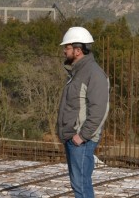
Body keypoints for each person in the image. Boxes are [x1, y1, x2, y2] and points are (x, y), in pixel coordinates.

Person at [57, 27, 110, 198]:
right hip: (74, 138)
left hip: (82, 140)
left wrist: (81, 136)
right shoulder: (77, 72)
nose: (64, 51)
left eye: (67, 47)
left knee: (80, 185)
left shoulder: (94, 74)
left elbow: (99, 110)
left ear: (78, 50)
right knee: (80, 184)